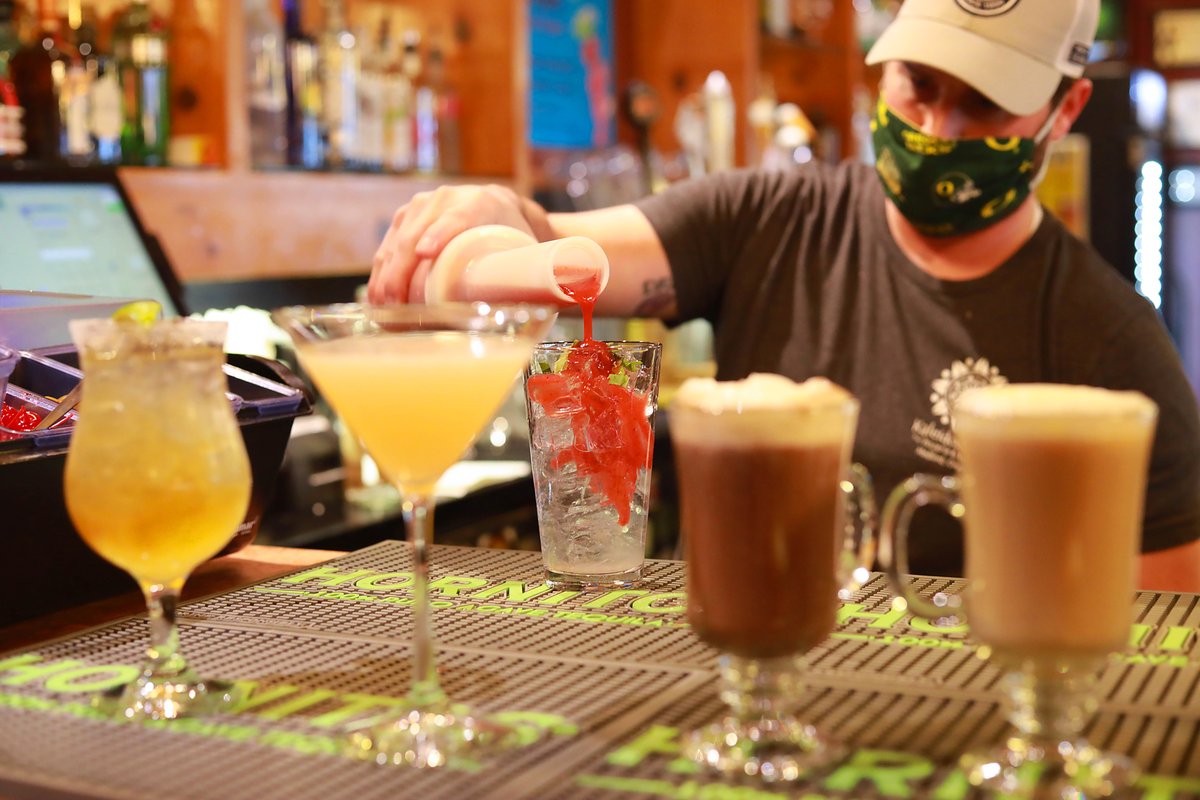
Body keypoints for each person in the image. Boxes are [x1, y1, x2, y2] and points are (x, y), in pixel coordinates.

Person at [368, 0, 1200, 591]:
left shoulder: (1111, 344)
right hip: (725, 693)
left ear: (1066, 110)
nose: (938, 129)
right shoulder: (765, 219)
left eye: (985, 104)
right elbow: (561, 248)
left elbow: (1161, 650)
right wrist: (494, 213)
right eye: (918, 84)